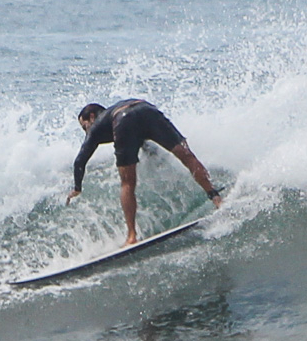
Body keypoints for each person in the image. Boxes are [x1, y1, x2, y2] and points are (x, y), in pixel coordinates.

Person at [66, 99, 223, 246]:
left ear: (92, 116)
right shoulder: (115, 112)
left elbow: (79, 160)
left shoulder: (98, 124)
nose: (86, 131)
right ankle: (216, 198)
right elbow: (141, 135)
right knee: (186, 155)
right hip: (147, 110)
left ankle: (131, 236)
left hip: (124, 120)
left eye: (84, 126)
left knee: (127, 182)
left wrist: (77, 188)